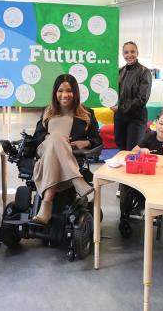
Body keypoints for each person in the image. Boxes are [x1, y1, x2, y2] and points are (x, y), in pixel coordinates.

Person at [32, 74, 102, 224]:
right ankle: (76, 179)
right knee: (57, 137)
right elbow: (37, 137)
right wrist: (52, 139)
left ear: (75, 92)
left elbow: (97, 140)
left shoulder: (87, 114)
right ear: (55, 92)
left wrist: (86, 143)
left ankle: (46, 205)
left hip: (66, 160)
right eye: (60, 90)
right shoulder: (47, 111)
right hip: (44, 154)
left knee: (57, 139)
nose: (64, 95)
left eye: (69, 90)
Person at [111, 41, 152, 151]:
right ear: (123, 54)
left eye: (132, 51)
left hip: (136, 117)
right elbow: (112, 92)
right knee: (121, 149)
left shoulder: (144, 72)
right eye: (126, 52)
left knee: (133, 150)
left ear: (137, 53)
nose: (129, 55)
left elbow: (142, 99)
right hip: (120, 117)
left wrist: (120, 108)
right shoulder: (119, 71)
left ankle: (134, 168)